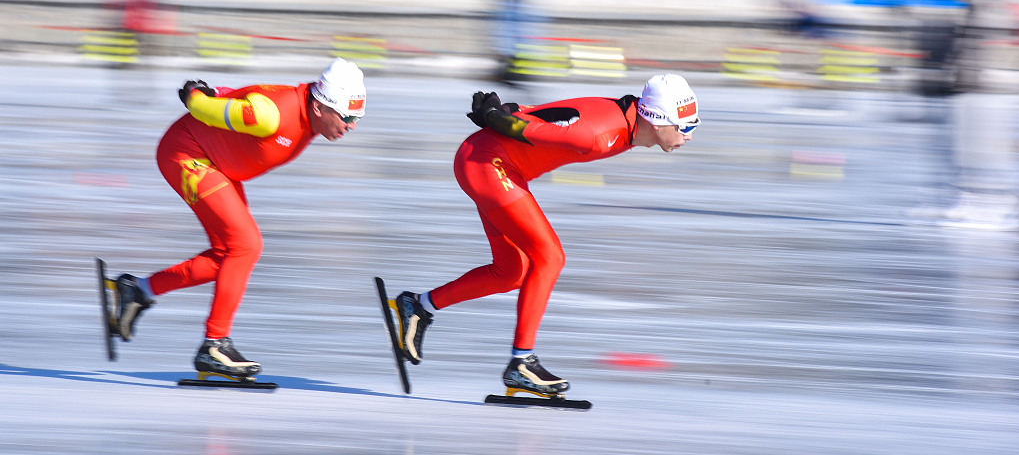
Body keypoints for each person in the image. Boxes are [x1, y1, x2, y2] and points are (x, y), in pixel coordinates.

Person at [388, 73, 699, 396]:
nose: (689, 136)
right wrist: (496, 114)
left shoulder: (624, 114)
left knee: (511, 272)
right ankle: (521, 363)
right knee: (550, 257)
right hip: (488, 165)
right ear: (657, 119)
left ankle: (418, 306)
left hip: (496, 165)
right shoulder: (599, 134)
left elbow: (546, 113)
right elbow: (524, 127)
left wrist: (509, 106)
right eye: (685, 126)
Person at [108, 58, 366, 380]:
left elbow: (240, 97)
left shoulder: (305, 113)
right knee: (246, 245)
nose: (351, 125)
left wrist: (217, 90)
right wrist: (196, 95)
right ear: (320, 108)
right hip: (187, 154)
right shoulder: (272, 115)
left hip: (217, 163)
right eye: (347, 117)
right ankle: (214, 345)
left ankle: (138, 291)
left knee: (228, 257)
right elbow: (208, 108)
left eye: (357, 118)